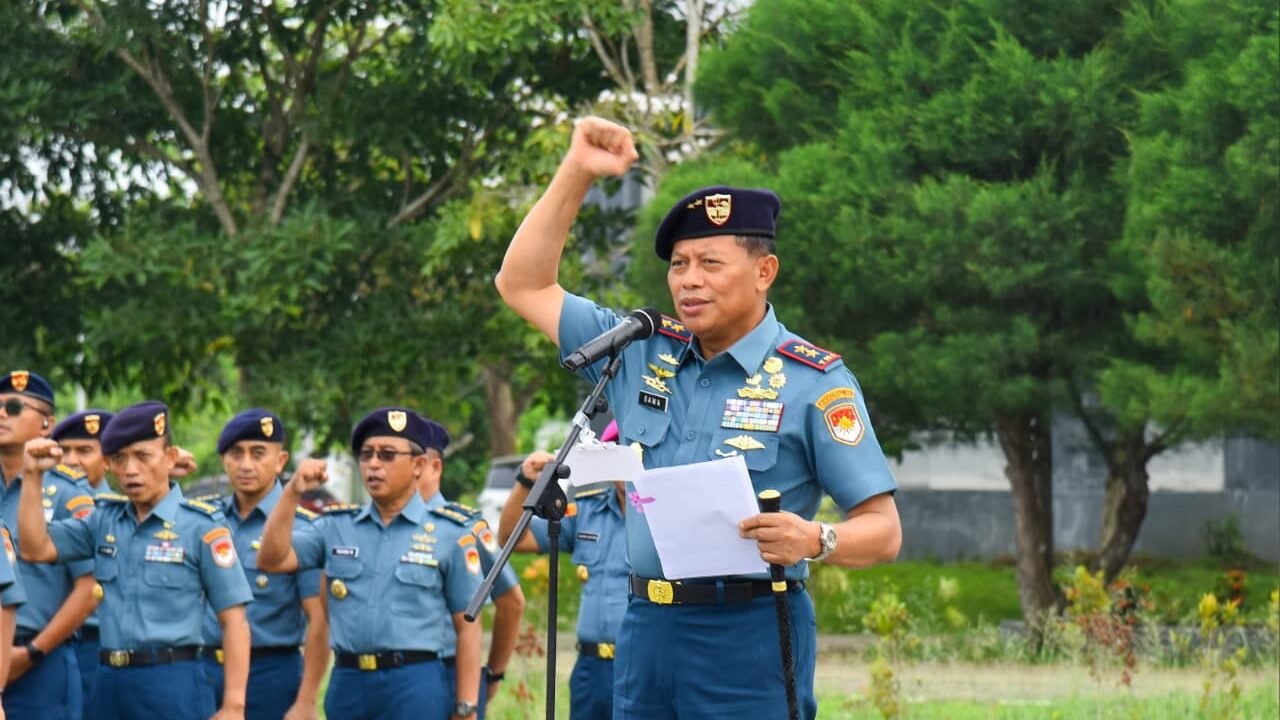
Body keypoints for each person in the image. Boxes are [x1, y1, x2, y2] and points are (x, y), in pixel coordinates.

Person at [494, 117, 903, 719]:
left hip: (752, 633)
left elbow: (884, 529)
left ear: (764, 272)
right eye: (679, 264)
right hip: (647, 633)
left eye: (710, 263)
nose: (689, 280)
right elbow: (524, 283)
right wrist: (578, 171)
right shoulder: (639, 352)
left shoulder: (814, 381)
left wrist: (816, 538)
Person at [16, 400, 254, 720]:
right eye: (119, 459)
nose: (130, 470)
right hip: (109, 681)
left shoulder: (202, 527)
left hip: (171, 681)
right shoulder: (104, 520)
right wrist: (32, 476)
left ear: (169, 458)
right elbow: (34, 548)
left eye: (142, 457)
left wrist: (234, 705)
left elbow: (234, 620)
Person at [257, 407, 485, 720]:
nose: (374, 464)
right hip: (349, 682)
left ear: (419, 465)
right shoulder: (336, 526)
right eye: (366, 455)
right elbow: (271, 558)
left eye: (387, 455)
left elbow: (468, 626)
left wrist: (467, 705)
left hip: (413, 681)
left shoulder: (450, 533)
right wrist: (292, 492)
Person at [200, 409, 327, 720]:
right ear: (223, 460)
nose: (246, 464)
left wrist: (307, 699)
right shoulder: (203, 520)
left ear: (281, 461)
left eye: (258, 454)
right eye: (235, 453)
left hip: (270, 674)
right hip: (203, 671)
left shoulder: (303, 527)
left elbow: (319, 618)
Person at [498, 420, 629, 720]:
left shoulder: (662, 516)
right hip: (591, 668)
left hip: (643, 666)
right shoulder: (586, 512)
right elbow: (512, 538)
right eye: (616, 450)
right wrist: (525, 482)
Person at [410, 416, 523, 720]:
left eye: (413, 460)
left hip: (449, 672)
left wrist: (494, 675)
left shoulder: (465, 527)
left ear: (434, 467)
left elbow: (511, 602)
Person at [0, 371, 95, 720]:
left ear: (46, 424)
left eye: (13, 407)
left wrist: (32, 652)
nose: (1, 415)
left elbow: (89, 588)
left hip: (40, 658)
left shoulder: (70, 493)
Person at [50, 409, 115, 716]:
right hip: (50, 642)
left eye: (85, 450)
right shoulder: (40, 504)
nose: (72, 460)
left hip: (97, 645)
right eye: (64, 450)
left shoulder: (121, 510)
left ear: (107, 458)